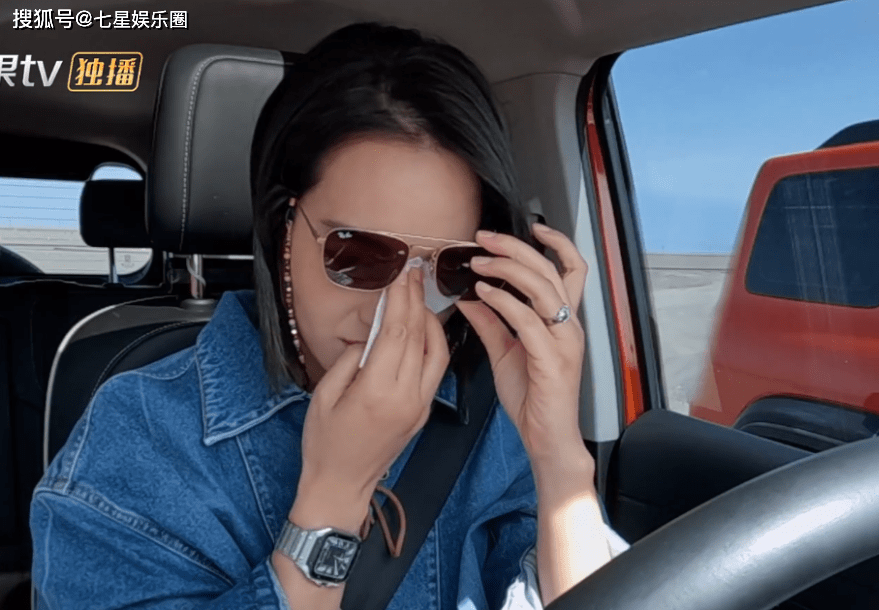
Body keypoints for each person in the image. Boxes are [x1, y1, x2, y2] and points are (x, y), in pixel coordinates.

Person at [30, 22, 627, 610]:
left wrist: (558, 458)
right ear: (283, 229)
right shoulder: (141, 437)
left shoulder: (490, 412)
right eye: (358, 254)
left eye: (449, 267)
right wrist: (333, 500)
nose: (394, 310)